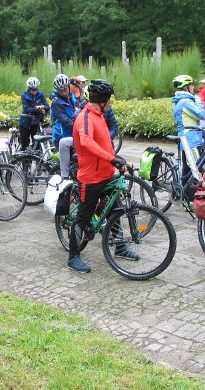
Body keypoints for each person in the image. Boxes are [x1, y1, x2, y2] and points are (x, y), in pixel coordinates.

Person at [68, 80, 133, 273]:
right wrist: (112, 160)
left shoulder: (100, 116)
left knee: (115, 209)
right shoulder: (85, 117)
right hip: (91, 177)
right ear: (103, 100)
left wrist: (119, 160)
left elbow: (105, 146)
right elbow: (87, 142)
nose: (111, 103)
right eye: (109, 99)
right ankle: (73, 257)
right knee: (82, 218)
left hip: (105, 174)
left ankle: (120, 247)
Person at [172, 75, 205, 180]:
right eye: (191, 85)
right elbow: (201, 114)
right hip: (191, 141)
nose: (193, 87)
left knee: (187, 168)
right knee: (196, 169)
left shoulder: (179, 101)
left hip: (185, 139)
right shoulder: (186, 102)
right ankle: (189, 194)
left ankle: (183, 193)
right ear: (185, 87)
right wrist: (199, 101)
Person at [18, 77, 49, 150]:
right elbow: (27, 109)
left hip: (36, 122)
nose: (35, 91)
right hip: (25, 123)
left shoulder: (41, 94)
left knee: (36, 144)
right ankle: (25, 161)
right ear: (29, 88)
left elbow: (47, 106)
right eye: (33, 89)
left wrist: (44, 107)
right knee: (25, 144)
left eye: (36, 89)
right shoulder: (24, 96)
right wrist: (37, 108)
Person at [50, 74, 77, 148]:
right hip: (61, 136)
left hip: (71, 134)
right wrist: (79, 127)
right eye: (60, 91)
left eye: (65, 90)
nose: (64, 93)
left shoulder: (71, 97)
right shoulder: (56, 102)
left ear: (68, 86)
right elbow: (66, 121)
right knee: (65, 160)